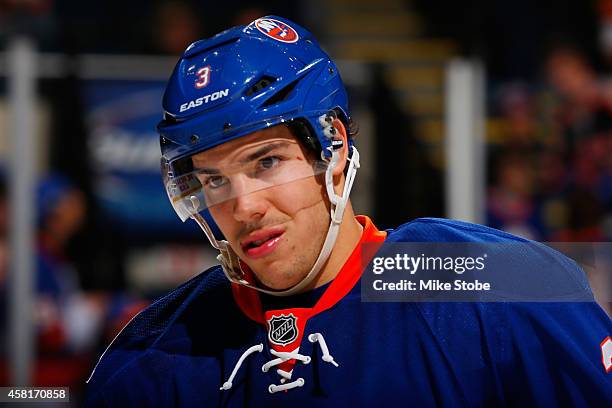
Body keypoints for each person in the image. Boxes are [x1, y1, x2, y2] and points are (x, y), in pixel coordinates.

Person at [86, 16, 612, 406]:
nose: (243, 206)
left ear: (333, 149)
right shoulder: (152, 357)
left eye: (266, 162)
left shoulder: (486, 284)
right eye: (213, 180)